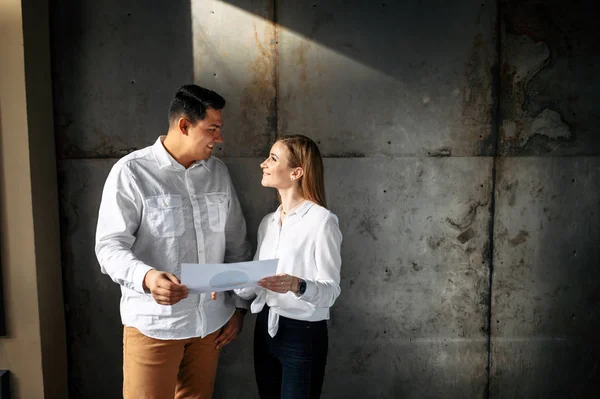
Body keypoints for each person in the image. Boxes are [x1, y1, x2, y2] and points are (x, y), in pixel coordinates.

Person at [95, 84, 251, 399]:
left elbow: (236, 244)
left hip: (209, 326)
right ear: (184, 125)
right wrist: (148, 277)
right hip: (155, 326)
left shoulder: (218, 173)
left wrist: (238, 307)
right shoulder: (132, 173)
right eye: (213, 129)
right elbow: (109, 247)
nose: (219, 138)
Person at [236, 134, 343, 399]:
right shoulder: (268, 223)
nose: (263, 163)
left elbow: (331, 293)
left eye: (273, 158)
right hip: (265, 329)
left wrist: (298, 285)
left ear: (296, 172)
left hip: (303, 334)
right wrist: (225, 283)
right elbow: (253, 285)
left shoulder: (322, 221)